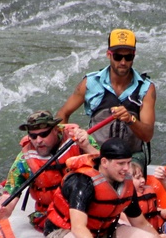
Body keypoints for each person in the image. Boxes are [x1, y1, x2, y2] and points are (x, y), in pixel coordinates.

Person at [42, 138, 166, 238]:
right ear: (104, 162)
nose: (127, 169)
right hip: (63, 234)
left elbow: (141, 224)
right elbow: (78, 228)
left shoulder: (125, 184)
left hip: (102, 233)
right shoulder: (82, 182)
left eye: (128, 163)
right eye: (121, 164)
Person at [55, 28, 156, 169]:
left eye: (128, 57)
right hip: (96, 152)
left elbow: (147, 135)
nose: (123, 62)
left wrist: (130, 119)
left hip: (131, 157)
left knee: (129, 176)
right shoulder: (90, 83)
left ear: (134, 55)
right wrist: (65, 143)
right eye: (117, 56)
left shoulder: (146, 88)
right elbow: (63, 114)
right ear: (109, 54)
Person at [0, 110, 96, 231]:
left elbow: (107, 167)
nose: (38, 140)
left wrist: (87, 147)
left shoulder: (78, 140)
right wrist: (3, 209)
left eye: (44, 134)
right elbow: (10, 195)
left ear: (56, 130)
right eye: (33, 136)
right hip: (53, 215)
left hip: (88, 207)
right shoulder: (24, 160)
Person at [129, 160, 166, 233]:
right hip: (142, 236)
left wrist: (161, 212)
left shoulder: (147, 191)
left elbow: (150, 210)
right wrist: (158, 237)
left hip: (155, 230)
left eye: (142, 177)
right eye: (138, 178)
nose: (143, 180)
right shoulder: (126, 202)